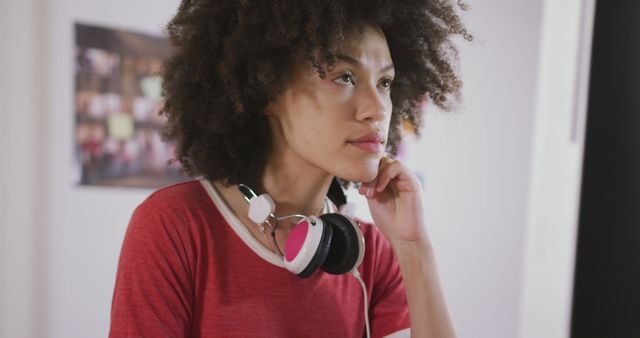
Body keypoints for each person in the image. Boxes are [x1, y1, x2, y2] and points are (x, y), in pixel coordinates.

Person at [109, 0, 471, 337]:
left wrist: (413, 247)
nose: (376, 109)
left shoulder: (370, 252)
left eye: (385, 83)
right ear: (266, 88)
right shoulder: (175, 226)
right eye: (344, 76)